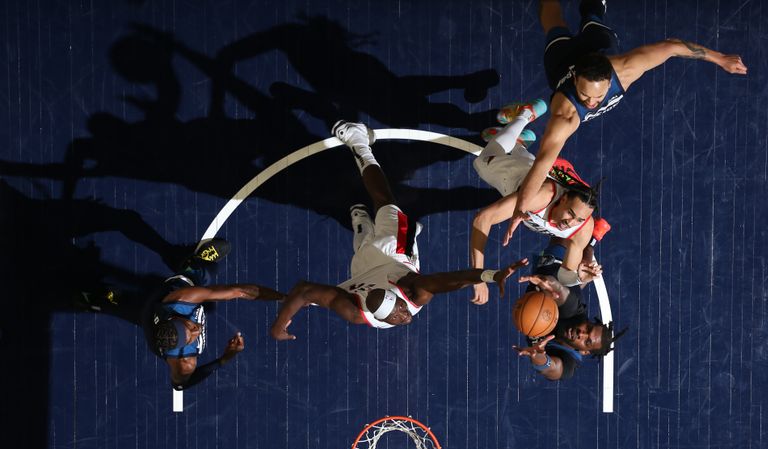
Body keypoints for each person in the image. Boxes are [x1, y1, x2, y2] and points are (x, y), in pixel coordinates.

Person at [502, 0, 748, 245]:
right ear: (576, 79)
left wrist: (721, 58)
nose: (591, 103)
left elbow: (672, 46)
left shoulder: (627, 68)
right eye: (584, 95)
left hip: (597, 47)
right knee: (553, 20)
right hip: (561, 61)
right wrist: (520, 208)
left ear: (610, 82)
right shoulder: (565, 115)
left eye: (598, 97)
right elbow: (543, 163)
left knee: (593, 16)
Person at [270, 120, 529, 340]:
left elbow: (453, 278)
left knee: (383, 201)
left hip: (394, 253)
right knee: (362, 251)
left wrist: (279, 324)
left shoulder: (412, 290)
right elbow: (304, 291)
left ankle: (358, 140)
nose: (404, 316)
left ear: (398, 299)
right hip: (368, 272)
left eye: (399, 312)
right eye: (399, 315)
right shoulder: (358, 310)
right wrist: (491, 276)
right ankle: (361, 221)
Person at [471, 106, 603, 304]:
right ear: (563, 198)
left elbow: (566, 275)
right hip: (515, 179)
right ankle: (524, 114)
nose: (571, 223)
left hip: (535, 170)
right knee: (482, 163)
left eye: (579, 219)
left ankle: (518, 143)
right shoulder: (539, 197)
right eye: (570, 213)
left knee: (525, 160)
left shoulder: (583, 229)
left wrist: (578, 277)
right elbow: (483, 219)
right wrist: (478, 276)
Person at [147, 238, 285, 390]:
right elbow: (180, 385)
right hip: (148, 318)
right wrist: (224, 359)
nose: (197, 330)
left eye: (189, 326)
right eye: (191, 338)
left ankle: (193, 262)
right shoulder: (184, 363)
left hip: (168, 292)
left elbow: (240, 291)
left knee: (204, 273)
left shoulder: (180, 300)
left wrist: (282, 298)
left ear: (176, 317)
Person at [512, 271, 626, 381]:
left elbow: (553, 368)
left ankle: (581, 279)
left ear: (584, 352)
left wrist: (538, 357)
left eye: (587, 342)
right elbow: (560, 292)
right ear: (588, 321)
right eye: (588, 328)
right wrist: (547, 282)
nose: (581, 334)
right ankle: (581, 275)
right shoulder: (573, 309)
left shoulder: (569, 362)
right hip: (555, 265)